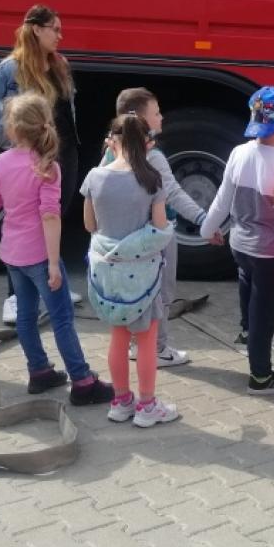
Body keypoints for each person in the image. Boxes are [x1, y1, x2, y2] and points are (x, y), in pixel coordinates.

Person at [0, 92, 113, 405]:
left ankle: (39, 371)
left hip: (12, 255)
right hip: (40, 256)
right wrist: (54, 263)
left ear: (12, 128)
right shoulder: (47, 167)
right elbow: (50, 216)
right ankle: (82, 381)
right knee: (62, 318)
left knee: (26, 316)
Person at [0, 5, 82, 324]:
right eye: (55, 29)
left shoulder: (59, 64)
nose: (60, 36)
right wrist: (10, 139)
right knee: (26, 222)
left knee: (54, 216)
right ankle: (15, 298)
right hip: (34, 157)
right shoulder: (11, 68)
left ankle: (51, 286)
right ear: (37, 29)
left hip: (63, 153)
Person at [82, 113, 179, 428]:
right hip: (143, 275)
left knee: (118, 338)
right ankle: (147, 406)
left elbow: (90, 225)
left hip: (108, 273)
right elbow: (160, 227)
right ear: (146, 143)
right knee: (146, 341)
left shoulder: (95, 177)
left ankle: (121, 401)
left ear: (112, 141)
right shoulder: (152, 179)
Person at [200, 87, 274, 394]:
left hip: (240, 244)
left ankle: (245, 331)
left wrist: (207, 229)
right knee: (264, 317)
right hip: (270, 253)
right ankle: (261, 377)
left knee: (247, 288)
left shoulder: (238, 153)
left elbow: (222, 198)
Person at [110, 88, 205, 367]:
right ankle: (158, 349)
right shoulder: (153, 157)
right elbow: (173, 193)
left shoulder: (111, 152)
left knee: (133, 291)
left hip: (125, 236)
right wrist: (202, 219)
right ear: (140, 119)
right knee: (161, 292)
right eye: (156, 112)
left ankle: (134, 344)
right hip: (157, 237)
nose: (161, 117)